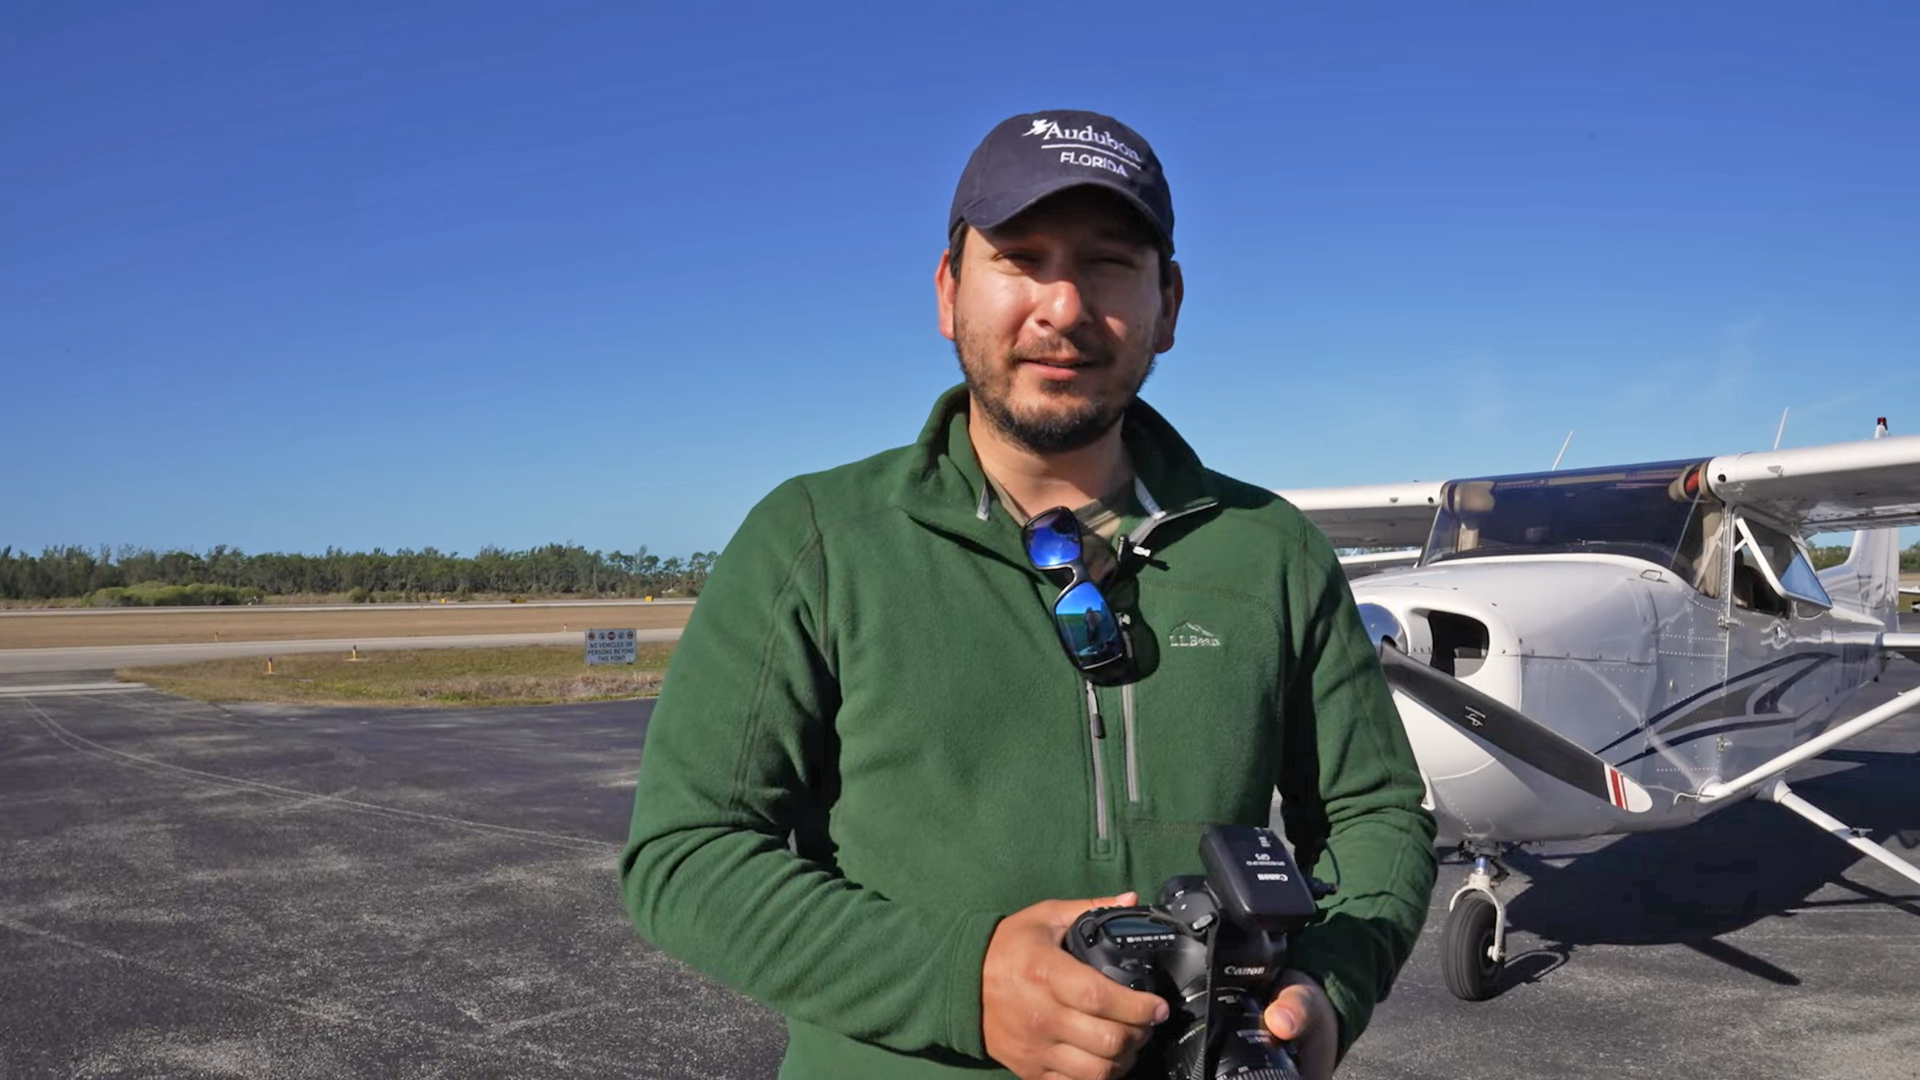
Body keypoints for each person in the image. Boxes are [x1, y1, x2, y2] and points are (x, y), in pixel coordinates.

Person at [621, 109, 1436, 1080]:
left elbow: (1378, 814)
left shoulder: (1272, 552)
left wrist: (1333, 988)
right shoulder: (815, 543)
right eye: (1018, 258)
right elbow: (686, 856)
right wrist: (961, 981)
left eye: (1108, 262)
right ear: (947, 289)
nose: (1062, 306)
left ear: (1168, 303)